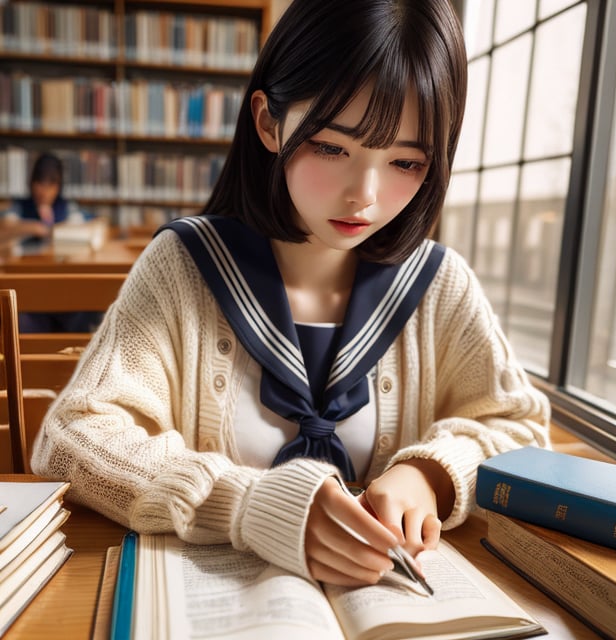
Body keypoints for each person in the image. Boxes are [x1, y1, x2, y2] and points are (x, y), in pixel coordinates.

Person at [31, 0, 550, 588]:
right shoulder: (185, 267)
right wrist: (249, 505)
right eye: (332, 147)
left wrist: (432, 473)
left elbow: (522, 429)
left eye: (406, 161)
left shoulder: (439, 285)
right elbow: (72, 440)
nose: (365, 195)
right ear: (269, 122)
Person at [0, 152, 101, 332]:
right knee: (18, 321)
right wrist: (34, 227)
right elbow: (5, 226)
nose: (44, 190)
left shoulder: (67, 208)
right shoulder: (20, 207)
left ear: (59, 186)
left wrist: (60, 229)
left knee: (93, 307)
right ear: (31, 183)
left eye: (51, 184)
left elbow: (94, 224)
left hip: (64, 286)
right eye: (40, 183)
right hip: (29, 290)